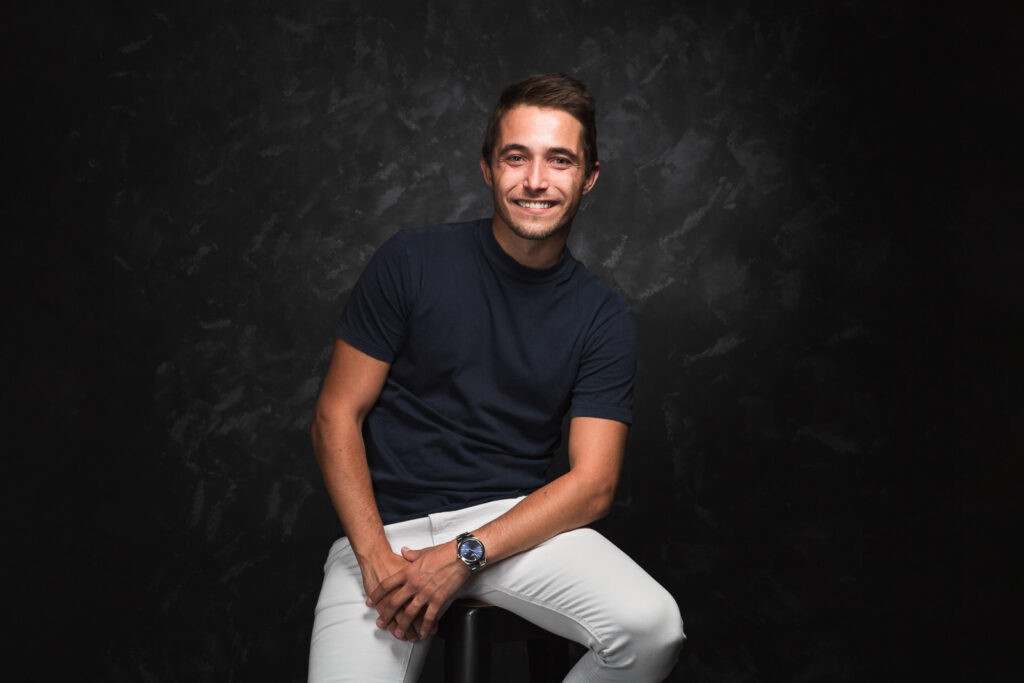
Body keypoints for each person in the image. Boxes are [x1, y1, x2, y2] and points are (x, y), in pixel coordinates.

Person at [308, 73, 685, 682]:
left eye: (559, 160)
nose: (536, 180)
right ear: (488, 168)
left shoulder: (603, 316)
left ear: (588, 177)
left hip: (509, 533)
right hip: (384, 534)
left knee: (651, 628)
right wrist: (375, 559)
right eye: (517, 157)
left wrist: (466, 553)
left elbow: (592, 484)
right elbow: (335, 416)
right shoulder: (410, 261)